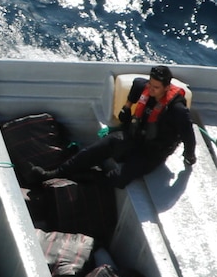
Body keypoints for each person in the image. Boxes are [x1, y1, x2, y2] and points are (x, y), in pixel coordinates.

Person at [28, 65, 198, 188]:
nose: (151, 90)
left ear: (167, 87)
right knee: (96, 149)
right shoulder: (143, 86)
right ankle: (52, 174)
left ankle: (82, 177)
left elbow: (189, 135)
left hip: (152, 151)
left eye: (156, 88)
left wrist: (189, 156)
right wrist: (126, 107)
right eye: (150, 85)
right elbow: (138, 83)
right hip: (134, 137)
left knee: (119, 179)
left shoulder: (177, 109)